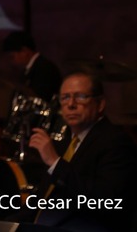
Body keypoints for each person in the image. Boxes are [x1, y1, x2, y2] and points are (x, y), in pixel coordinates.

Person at [26, 71, 137, 231]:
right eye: (65, 97)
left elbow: (105, 201)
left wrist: (55, 163)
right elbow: (42, 200)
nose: (71, 104)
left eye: (80, 97)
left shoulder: (116, 142)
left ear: (100, 104)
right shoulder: (63, 141)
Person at [1, 30, 62, 102]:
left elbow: (41, 99)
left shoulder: (45, 69)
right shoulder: (32, 69)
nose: (11, 61)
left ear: (24, 51)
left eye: (12, 57)